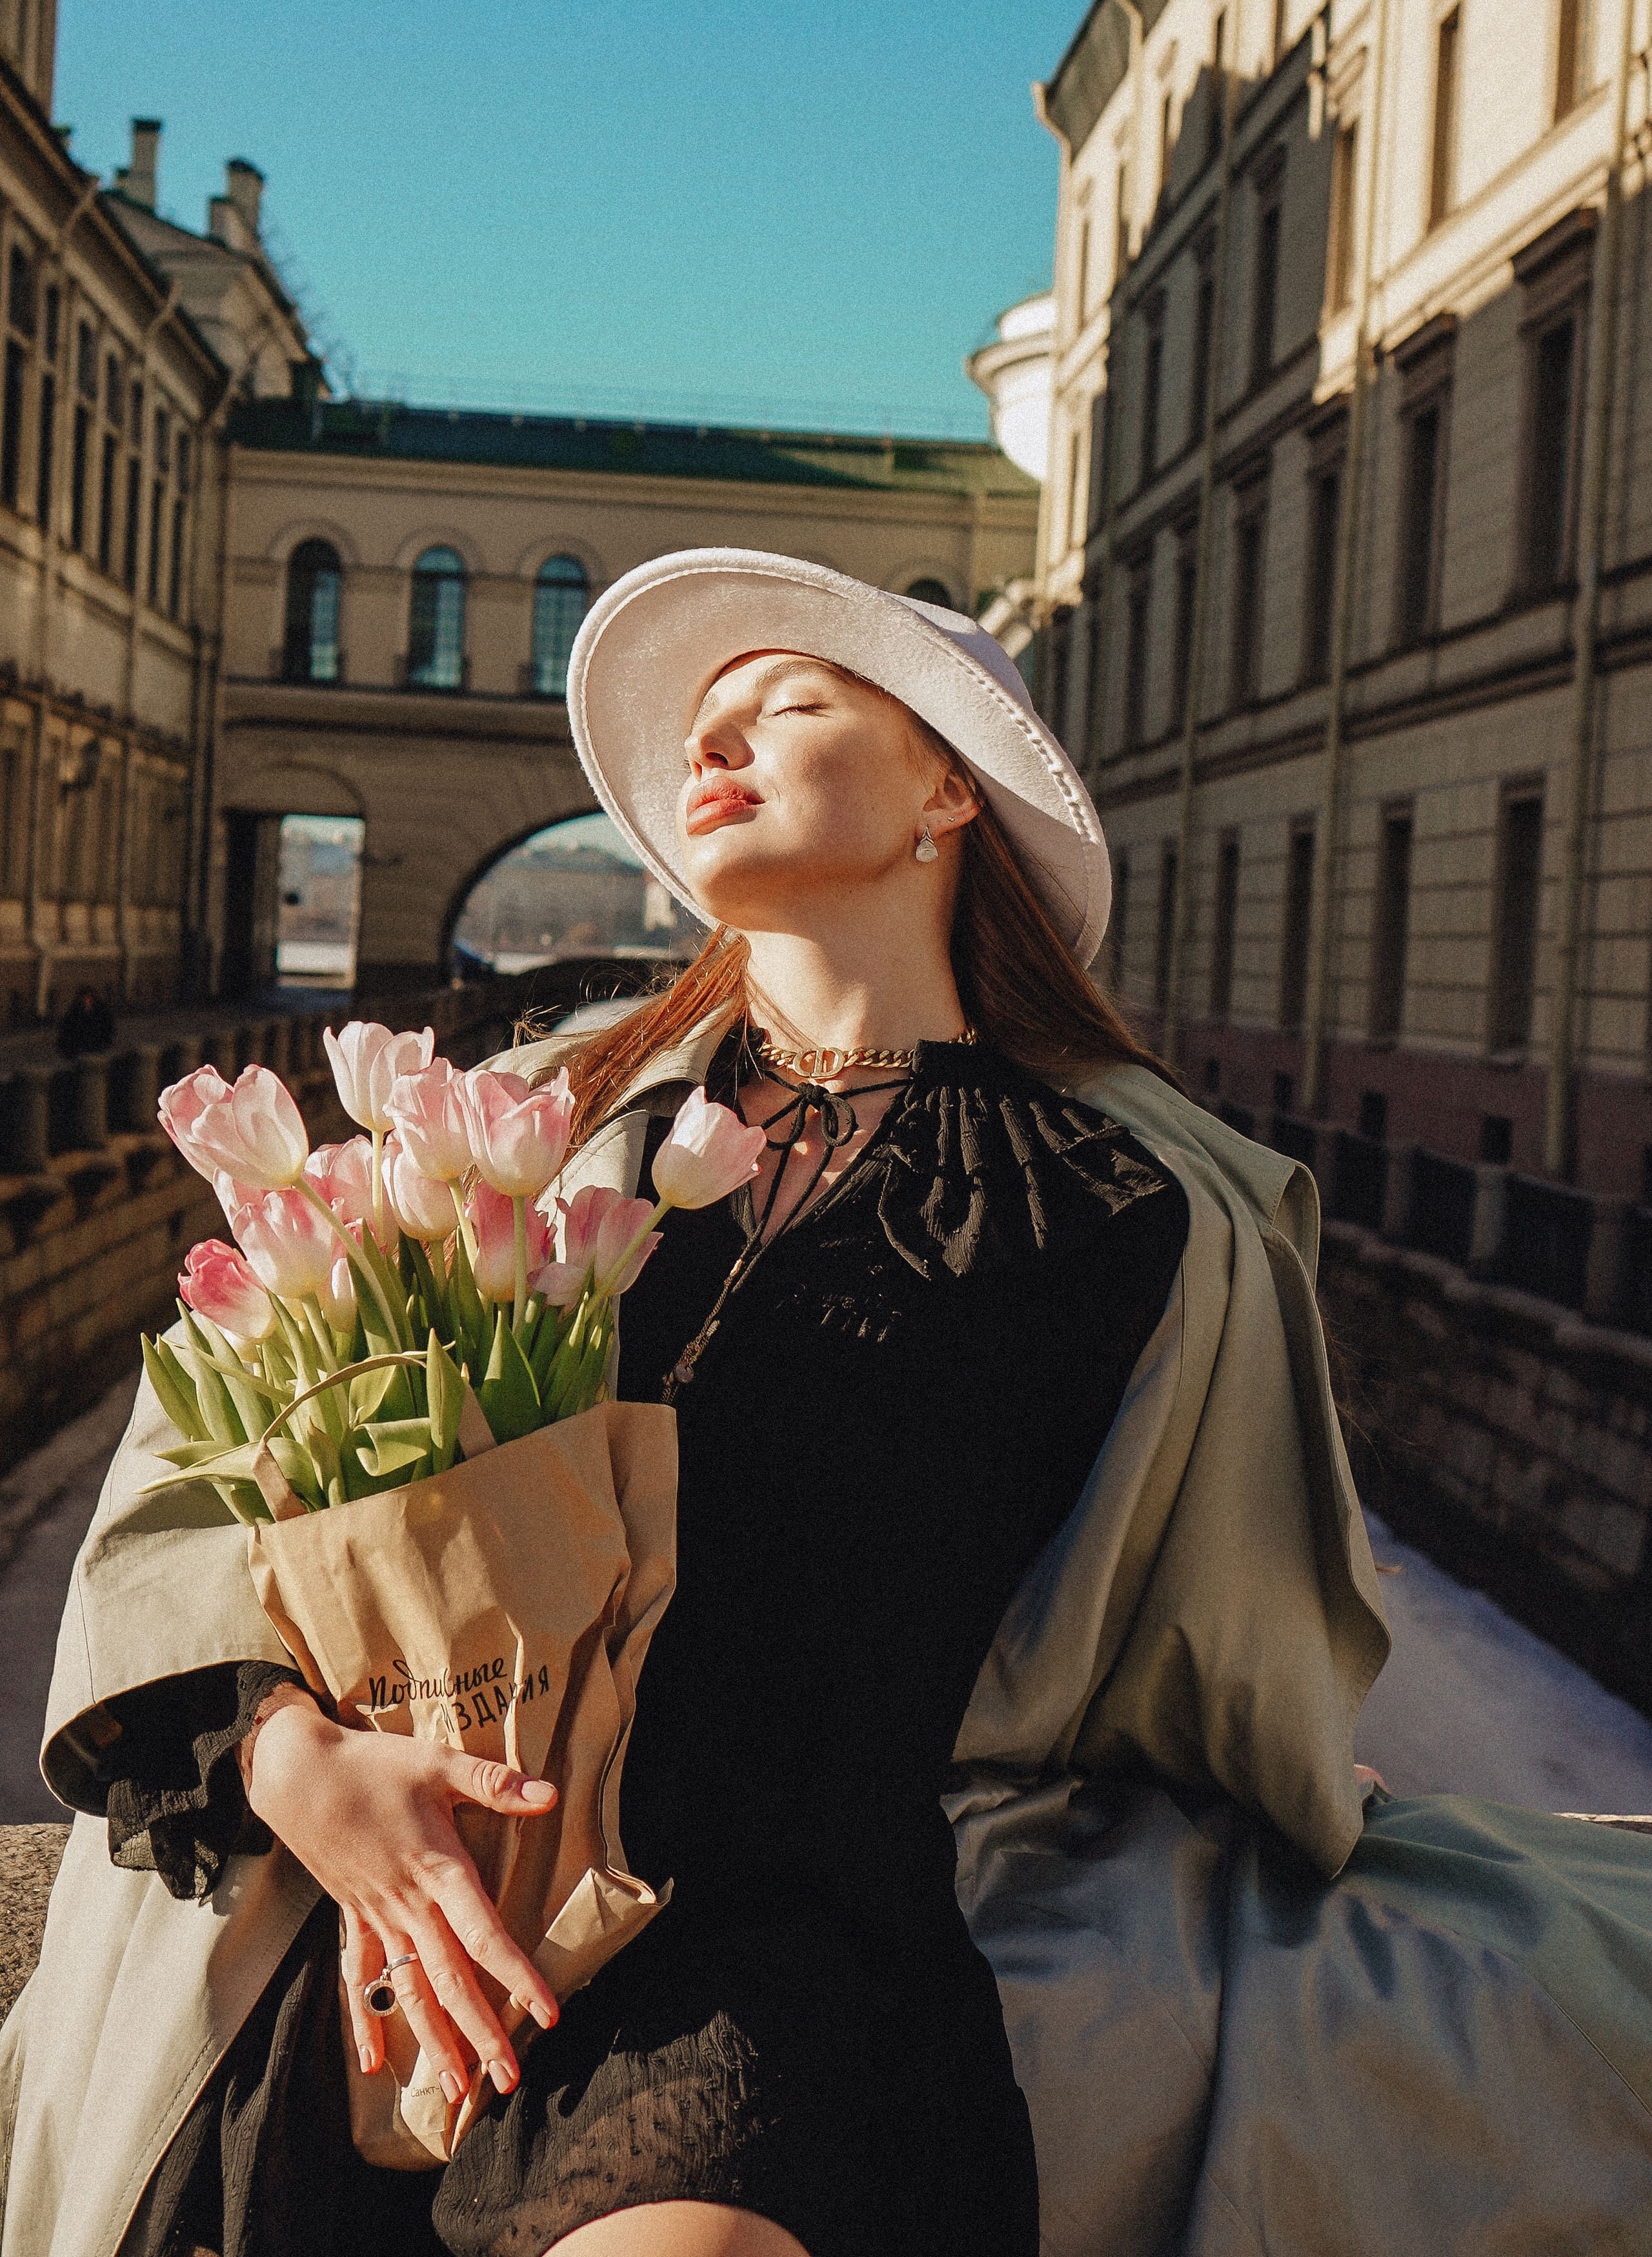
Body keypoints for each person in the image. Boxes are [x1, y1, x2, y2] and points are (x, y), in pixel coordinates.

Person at [4, 551, 1650, 2257]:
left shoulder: (1148, 1212)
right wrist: (293, 1762)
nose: (717, 747)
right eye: (700, 731)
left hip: (776, 1933)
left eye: (790, 706)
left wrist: (1300, 1768)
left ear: (951, 786)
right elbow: (207, 1460)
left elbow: (1224, 1620)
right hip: (399, 1897)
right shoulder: (519, 1122)